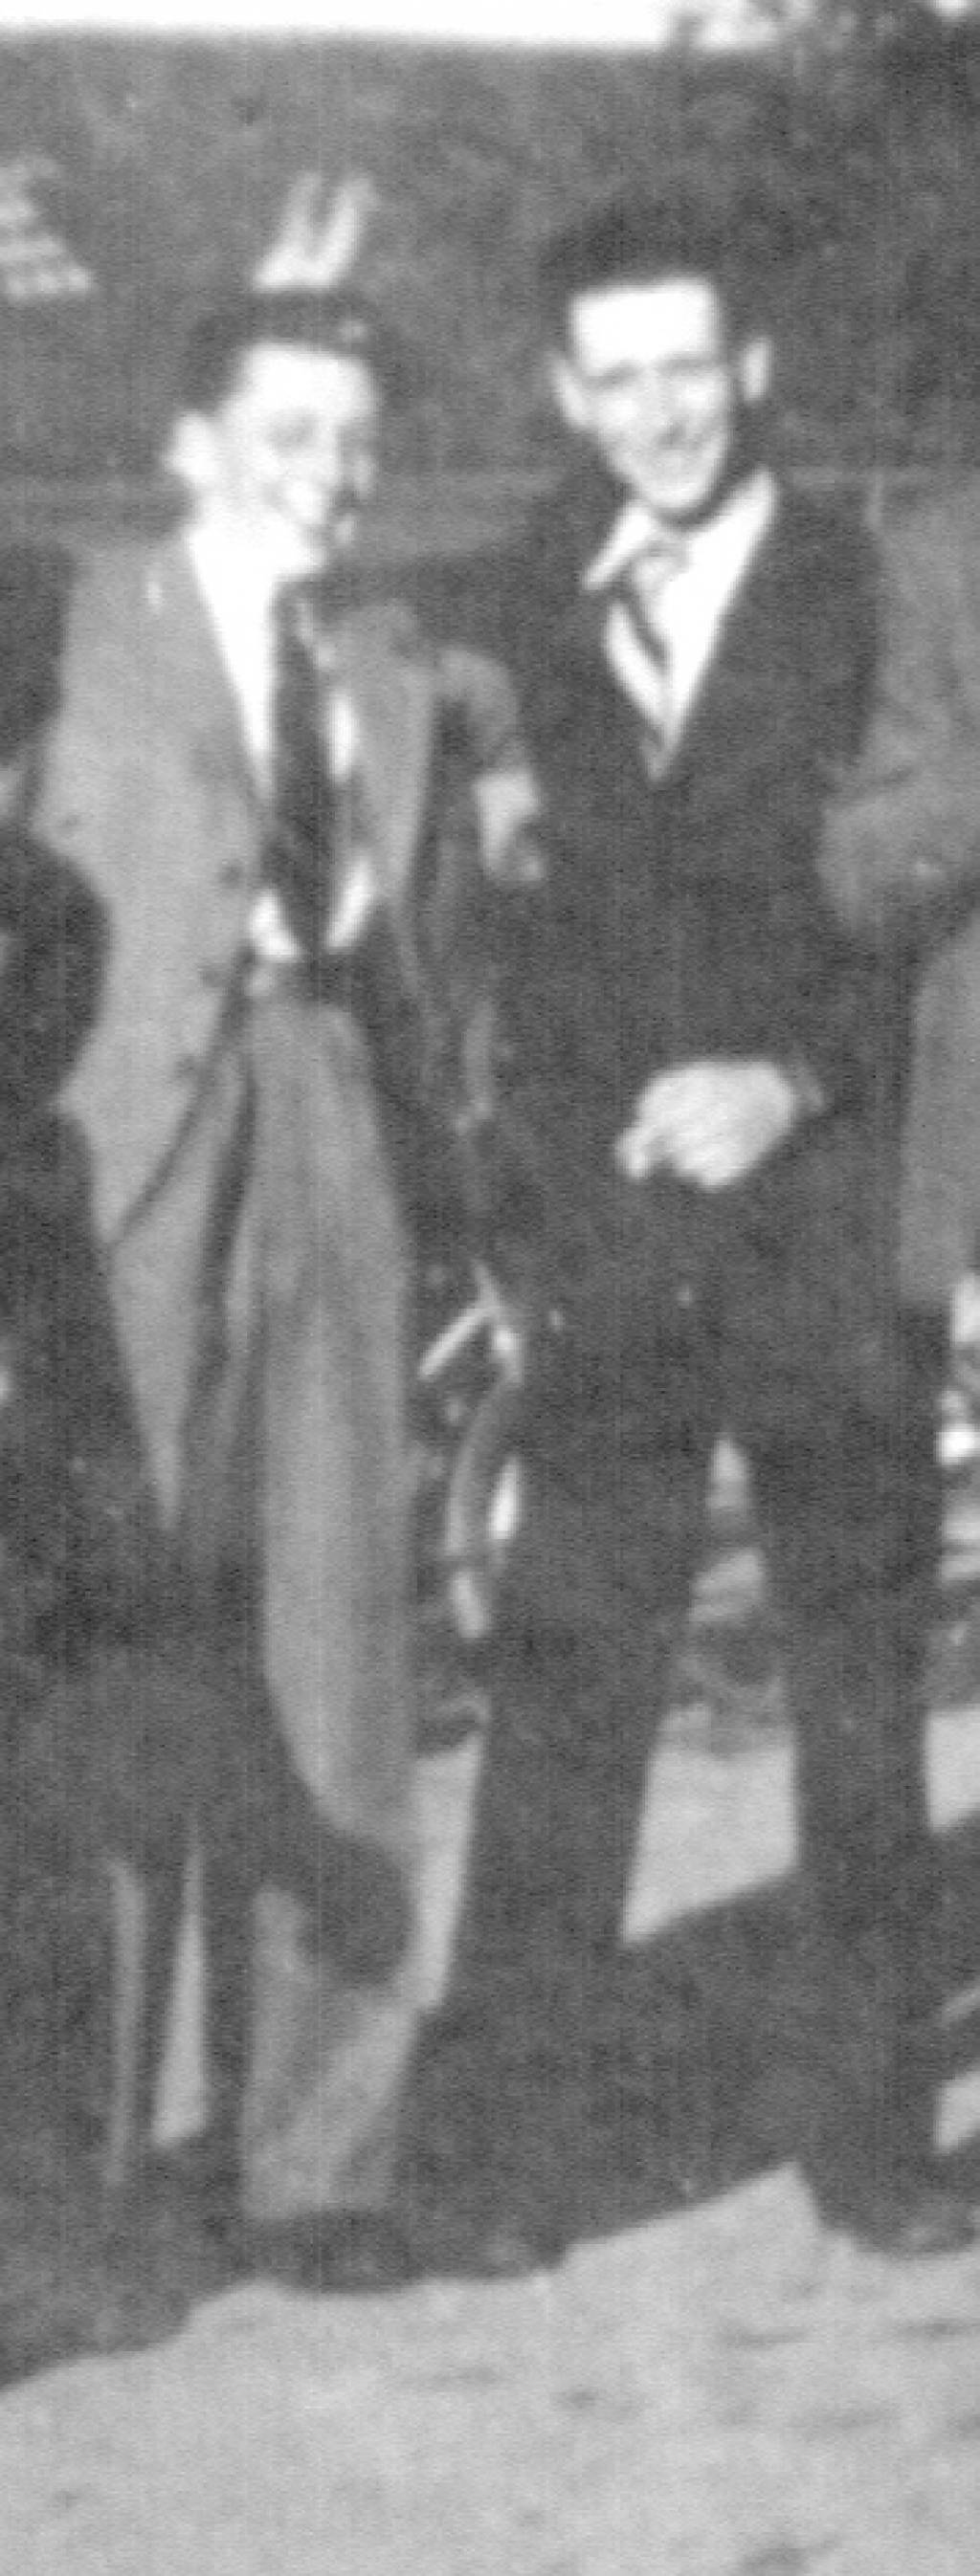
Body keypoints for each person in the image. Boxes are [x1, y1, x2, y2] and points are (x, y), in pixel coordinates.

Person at [412, 185, 975, 2274]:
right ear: (565, 392)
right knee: (570, 1674)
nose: (660, 413)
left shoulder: (867, 581)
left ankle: (868, 2141)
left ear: (755, 367)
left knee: (852, 1685)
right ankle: (503, 2159)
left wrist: (790, 1080)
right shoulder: (505, 600)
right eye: (617, 377)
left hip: (819, 1206)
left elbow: (926, 880)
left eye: (691, 369)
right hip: (610, 1229)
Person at [29, 207, 542, 2291]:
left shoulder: (403, 665)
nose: (329, 472)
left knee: (334, 1646)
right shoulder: (70, 616)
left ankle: (319, 2165)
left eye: (356, 438)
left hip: (333, 1120)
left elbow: (504, 707)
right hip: (116, 1156)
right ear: (188, 444)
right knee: (103, 1655)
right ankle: (56, 2196)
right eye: (286, 431)